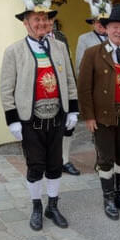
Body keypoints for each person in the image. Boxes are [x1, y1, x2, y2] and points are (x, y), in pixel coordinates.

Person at [1, 0, 78, 231]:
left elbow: (69, 80)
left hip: (56, 117)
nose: (42, 23)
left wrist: (73, 110)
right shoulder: (14, 51)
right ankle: (36, 206)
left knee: (55, 164)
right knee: (35, 166)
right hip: (30, 120)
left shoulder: (59, 47)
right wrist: (12, 119)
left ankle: (52, 206)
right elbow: (6, 88)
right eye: (36, 19)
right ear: (26, 23)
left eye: (46, 19)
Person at [78, 3, 120, 220]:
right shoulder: (92, 53)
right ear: (106, 29)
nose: (119, 31)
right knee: (106, 159)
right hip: (103, 118)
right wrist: (88, 116)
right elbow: (84, 87)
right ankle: (108, 198)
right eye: (114, 27)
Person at [46, 17, 80, 176]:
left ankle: (65, 160)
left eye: (51, 19)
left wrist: (72, 86)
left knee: (68, 127)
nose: (49, 23)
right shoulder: (31, 41)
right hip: (45, 90)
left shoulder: (61, 37)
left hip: (64, 89)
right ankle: (50, 161)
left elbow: (68, 63)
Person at [75, 0, 111, 76]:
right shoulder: (84, 39)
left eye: (103, 21)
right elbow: (80, 67)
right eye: (97, 21)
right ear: (93, 23)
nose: (100, 24)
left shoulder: (115, 38)